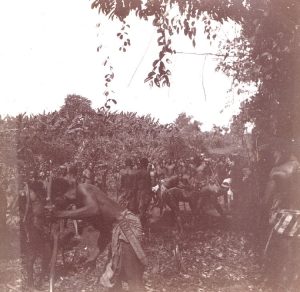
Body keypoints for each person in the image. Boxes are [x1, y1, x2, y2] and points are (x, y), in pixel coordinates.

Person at [51, 166, 147, 292]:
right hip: (116, 232)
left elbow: (93, 209)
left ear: (61, 195)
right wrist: (94, 256)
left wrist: (61, 214)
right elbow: (106, 232)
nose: (57, 205)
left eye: (56, 202)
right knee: (112, 279)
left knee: (132, 277)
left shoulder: (83, 189)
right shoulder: (81, 204)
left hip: (126, 225)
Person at [260, 144, 300, 291]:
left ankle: (282, 285)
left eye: (275, 153)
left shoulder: (278, 171)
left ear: (283, 151)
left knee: (283, 255)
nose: (273, 157)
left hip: (288, 216)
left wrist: (267, 206)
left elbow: (265, 200)